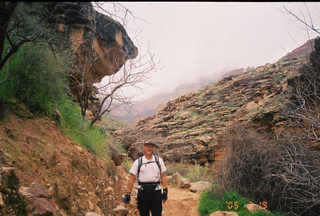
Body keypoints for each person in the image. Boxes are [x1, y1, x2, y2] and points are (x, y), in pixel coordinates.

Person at [123, 141, 168, 216]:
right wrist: (128, 194)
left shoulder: (159, 160)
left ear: (153, 148)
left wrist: (165, 191)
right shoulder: (138, 162)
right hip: (143, 193)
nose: (149, 148)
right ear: (143, 148)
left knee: (157, 214)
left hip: (156, 193)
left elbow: (163, 176)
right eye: (147, 146)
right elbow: (131, 178)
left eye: (151, 147)